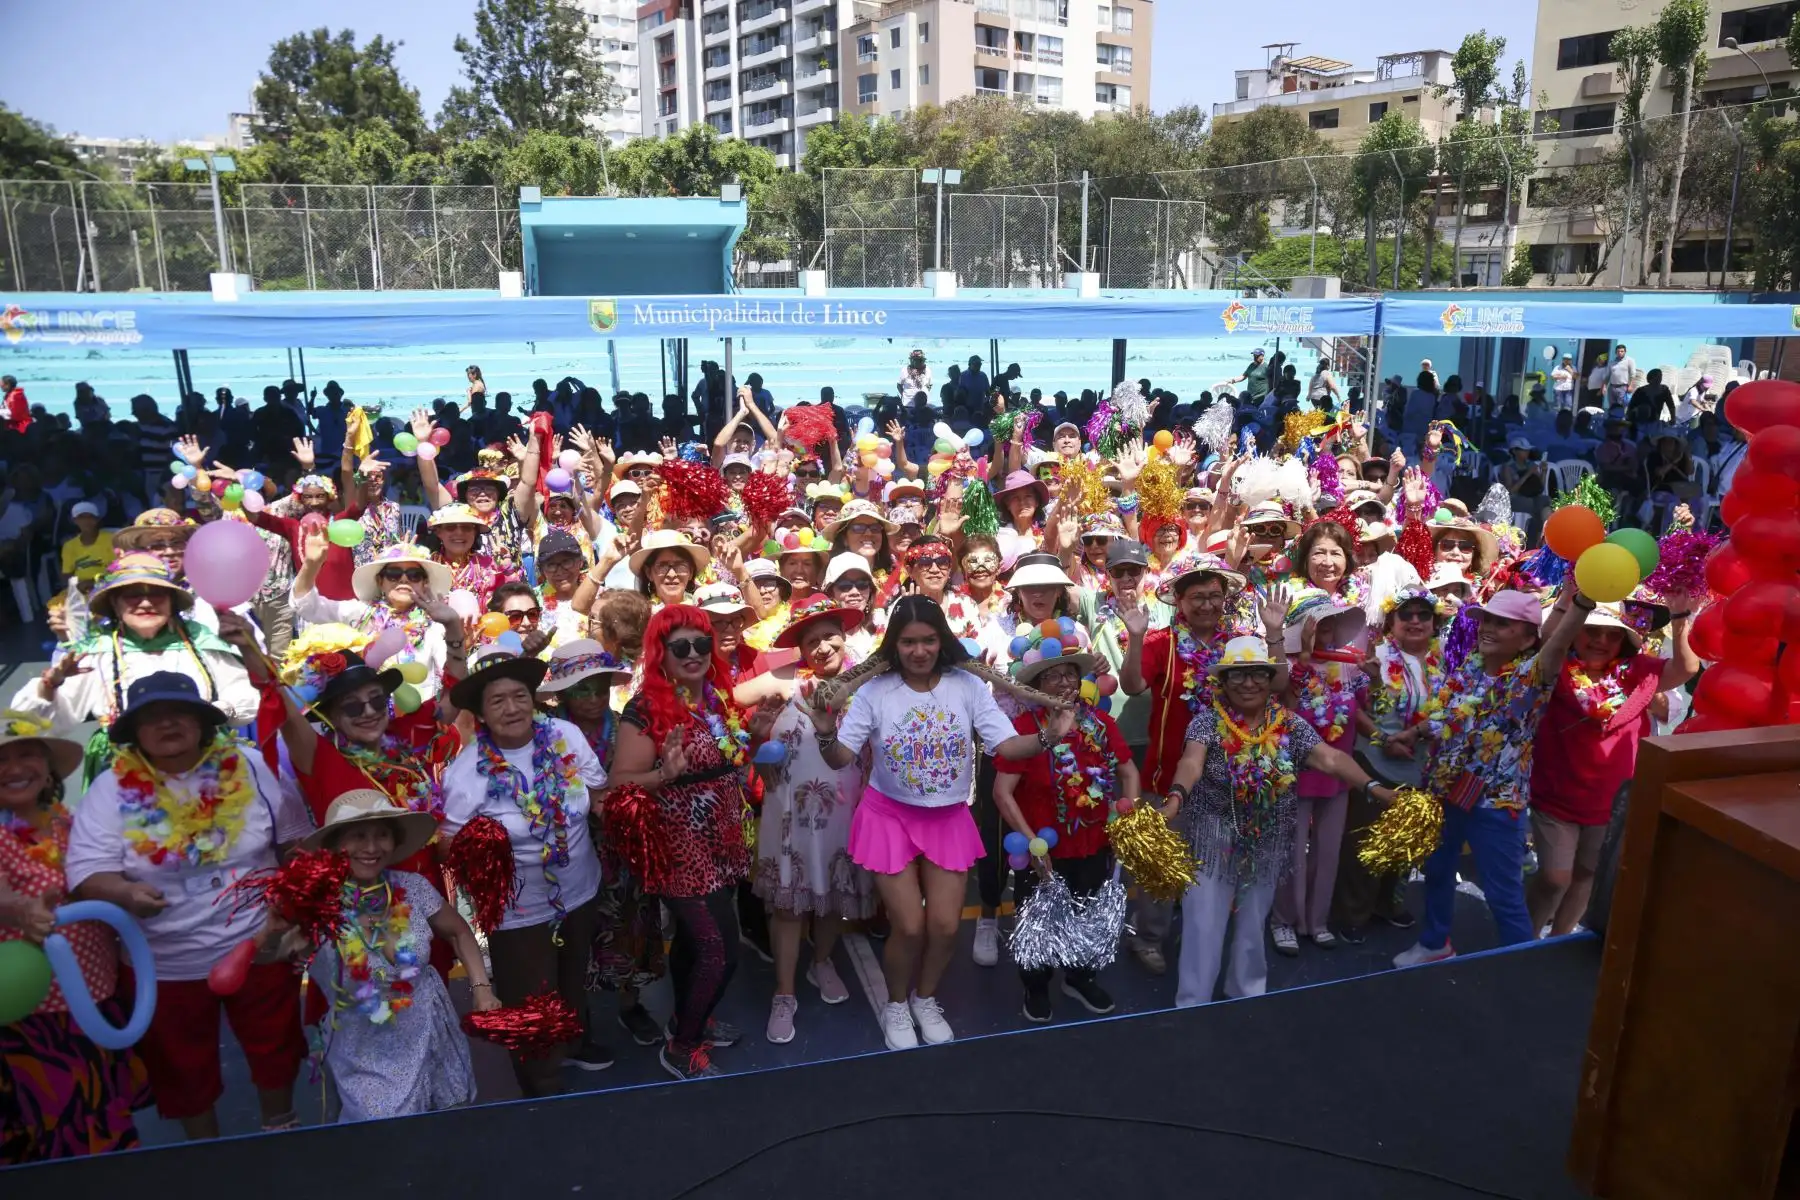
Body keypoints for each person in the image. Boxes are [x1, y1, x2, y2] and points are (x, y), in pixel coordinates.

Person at [806, 595, 1076, 1051]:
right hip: (888, 817)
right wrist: (825, 730)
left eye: (928, 640)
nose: (919, 651)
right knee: (909, 925)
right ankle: (896, 1004)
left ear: (942, 641)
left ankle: (924, 998)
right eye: (908, 642)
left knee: (948, 926)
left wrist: (1050, 735)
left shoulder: (966, 686)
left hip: (948, 818)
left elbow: (1006, 747)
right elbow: (841, 759)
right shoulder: (873, 690)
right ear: (894, 644)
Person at [67, 672, 312, 1139]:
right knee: (182, 1067)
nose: (167, 724)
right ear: (133, 733)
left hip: (259, 943)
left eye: (180, 713)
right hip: (164, 963)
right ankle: (205, 1153)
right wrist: (125, 893)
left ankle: (281, 1129)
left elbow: (294, 840)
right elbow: (86, 873)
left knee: (277, 1046)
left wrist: (294, 908)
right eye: (151, 718)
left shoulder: (251, 766)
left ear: (203, 723)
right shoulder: (110, 790)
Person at [1162, 637, 1394, 1006]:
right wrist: (1176, 798)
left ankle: (1247, 996)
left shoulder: (1290, 725)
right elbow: (1191, 762)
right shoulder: (1206, 723)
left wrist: (1377, 789)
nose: (1248, 682)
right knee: (1204, 925)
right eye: (1237, 675)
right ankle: (1193, 1004)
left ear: (1271, 680)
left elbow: (1332, 760)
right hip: (1211, 837)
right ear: (1223, 684)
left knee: (1253, 926)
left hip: (1267, 841)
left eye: (1257, 673)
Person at [607, 606, 778, 1080]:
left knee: (692, 944)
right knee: (720, 950)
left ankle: (691, 1020)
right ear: (660, 652)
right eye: (679, 646)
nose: (693, 654)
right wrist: (665, 773)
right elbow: (621, 783)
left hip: (722, 841)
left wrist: (757, 737)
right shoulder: (645, 709)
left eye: (701, 644)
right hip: (680, 849)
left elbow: (727, 759)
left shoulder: (714, 696)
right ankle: (682, 1046)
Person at [1383, 587, 1585, 963]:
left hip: (1496, 802)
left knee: (1503, 894)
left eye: (1502, 624)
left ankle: (1519, 970)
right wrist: (1415, 732)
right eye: (1486, 620)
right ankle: (1434, 944)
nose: (1488, 629)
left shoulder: (1531, 678)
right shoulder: (1470, 668)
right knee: (1438, 871)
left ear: (1527, 639)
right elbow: (1451, 713)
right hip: (1446, 789)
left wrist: (1581, 604)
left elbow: (1557, 645)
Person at [439, 644, 608, 1092]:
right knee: (531, 1003)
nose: (512, 708)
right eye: (498, 700)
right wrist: (482, 854)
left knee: (572, 984)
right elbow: (448, 846)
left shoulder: (566, 735)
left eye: (519, 695)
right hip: (518, 912)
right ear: (480, 713)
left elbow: (596, 796)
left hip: (581, 891)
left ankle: (571, 1046)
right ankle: (540, 1087)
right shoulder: (466, 772)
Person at [1119, 553, 1287, 974]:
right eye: (1197, 597)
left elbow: (1278, 685)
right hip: (1168, 775)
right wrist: (1136, 637)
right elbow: (1133, 684)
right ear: (1178, 600)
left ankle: (1202, 936)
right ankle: (1150, 937)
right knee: (1163, 864)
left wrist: (1274, 633)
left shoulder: (1242, 644)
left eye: (1215, 596)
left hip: (1229, 777)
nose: (1208, 605)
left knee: (1217, 865)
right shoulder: (1163, 642)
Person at [0, 713, 151, 1163]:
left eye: (26, 754)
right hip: (30, 1019)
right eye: (1, 759)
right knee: (49, 1131)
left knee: (103, 1117)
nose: (14, 767)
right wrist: (19, 908)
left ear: (48, 768)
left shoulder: (76, 822)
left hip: (96, 1000)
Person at [733, 598, 876, 1044]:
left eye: (829, 635)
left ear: (844, 636)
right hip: (790, 815)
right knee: (790, 906)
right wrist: (756, 740)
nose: (821, 646)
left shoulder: (867, 684)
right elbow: (730, 700)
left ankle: (822, 961)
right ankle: (785, 991)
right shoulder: (784, 681)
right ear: (799, 649)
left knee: (835, 894)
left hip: (846, 811)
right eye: (810, 641)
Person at [300, 789, 492, 1121]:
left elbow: (460, 932)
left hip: (431, 1032)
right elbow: (271, 950)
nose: (371, 848)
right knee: (381, 1136)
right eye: (358, 836)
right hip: (364, 1048)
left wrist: (482, 989)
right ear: (334, 845)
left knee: (451, 1126)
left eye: (382, 835)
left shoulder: (413, 887)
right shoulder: (317, 907)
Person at [1528, 599, 1697, 936]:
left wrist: (1680, 616)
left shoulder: (1639, 672)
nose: (1601, 641)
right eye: (1592, 631)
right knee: (1553, 878)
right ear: (1576, 633)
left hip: (1610, 800)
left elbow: (1686, 669)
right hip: (1555, 793)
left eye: (1612, 635)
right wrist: (1570, 600)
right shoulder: (1556, 667)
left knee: (1587, 873)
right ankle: (1522, 940)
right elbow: (1548, 641)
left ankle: (1559, 940)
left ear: (1624, 643)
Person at [994, 648, 1139, 1022]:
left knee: (1087, 910)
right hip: (1044, 844)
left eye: (1070, 674)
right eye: (1052, 676)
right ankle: (1036, 985)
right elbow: (1001, 793)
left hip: (1093, 842)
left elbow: (1128, 770)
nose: (1064, 682)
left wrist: (1129, 813)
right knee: (1039, 918)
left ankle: (1079, 977)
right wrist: (1031, 842)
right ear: (1037, 686)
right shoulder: (1027, 730)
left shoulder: (1101, 723)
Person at [14, 553, 257, 752]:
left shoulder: (201, 641)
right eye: (132, 595)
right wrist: (48, 687)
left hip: (205, 756)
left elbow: (244, 692)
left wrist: (217, 711)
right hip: (122, 768)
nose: (145, 603)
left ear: (173, 602)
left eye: (156, 593)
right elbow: (42, 723)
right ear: (114, 605)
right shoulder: (97, 652)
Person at [1334, 585, 1444, 941]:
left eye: (1423, 614)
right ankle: (1352, 913)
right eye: (1406, 615)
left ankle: (1389, 903)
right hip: (1375, 762)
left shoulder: (1445, 660)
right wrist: (1385, 740)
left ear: (1433, 622)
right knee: (1364, 844)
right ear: (1391, 622)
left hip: (1422, 765)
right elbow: (1353, 708)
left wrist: (1419, 736)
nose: (1415, 621)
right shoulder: (1374, 656)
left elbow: (1456, 707)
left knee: (1404, 840)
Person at [1271, 589, 1368, 956]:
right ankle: (1283, 921)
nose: (1325, 633)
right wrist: (1306, 655)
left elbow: (1361, 710)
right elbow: (1288, 704)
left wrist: (1375, 679)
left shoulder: (1350, 664)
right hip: (1295, 770)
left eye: (1330, 626)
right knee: (1291, 850)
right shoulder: (1288, 665)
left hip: (1338, 771)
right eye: (1317, 626)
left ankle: (1318, 920)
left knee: (1328, 850)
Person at [293, 536, 462, 705]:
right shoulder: (360, 613)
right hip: (366, 714)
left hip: (416, 718)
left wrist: (458, 638)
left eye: (414, 575)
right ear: (380, 582)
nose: (404, 580)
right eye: (394, 574)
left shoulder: (435, 624)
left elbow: (451, 677)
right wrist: (311, 564)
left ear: (424, 583)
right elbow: (306, 605)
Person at [59, 501, 114, 588]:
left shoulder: (111, 539)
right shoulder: (69, 546)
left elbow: (118, 569)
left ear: (97, 519)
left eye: (90, 517)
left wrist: (94, 583)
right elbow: (67, 574)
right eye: (81, 517)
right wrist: (77, 586)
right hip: (81, 587)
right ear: (74, 521)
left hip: (108, 583)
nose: (86, 521)